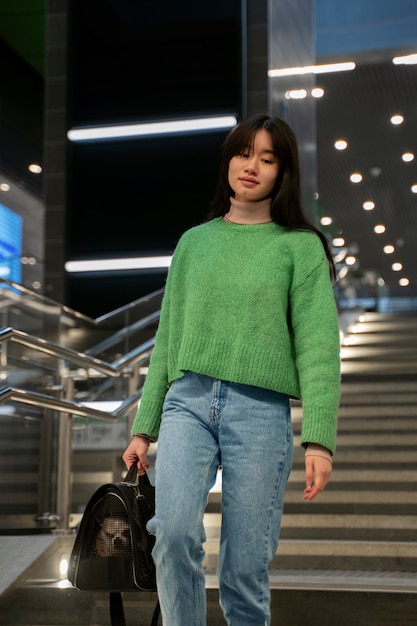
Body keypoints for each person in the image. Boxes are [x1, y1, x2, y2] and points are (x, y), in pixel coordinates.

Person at [122, 113, 341, 626]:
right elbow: (168, 341)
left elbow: (317, 347)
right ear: (229, 162)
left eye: (267, 158)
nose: (252, 166)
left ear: (282, 172)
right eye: (244, 153)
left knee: (245, 568)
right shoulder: (194, 243)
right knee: (172, 534)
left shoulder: (298, 247)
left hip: (260, 413)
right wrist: (143, 427)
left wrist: (320, 438)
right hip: (188, 404)